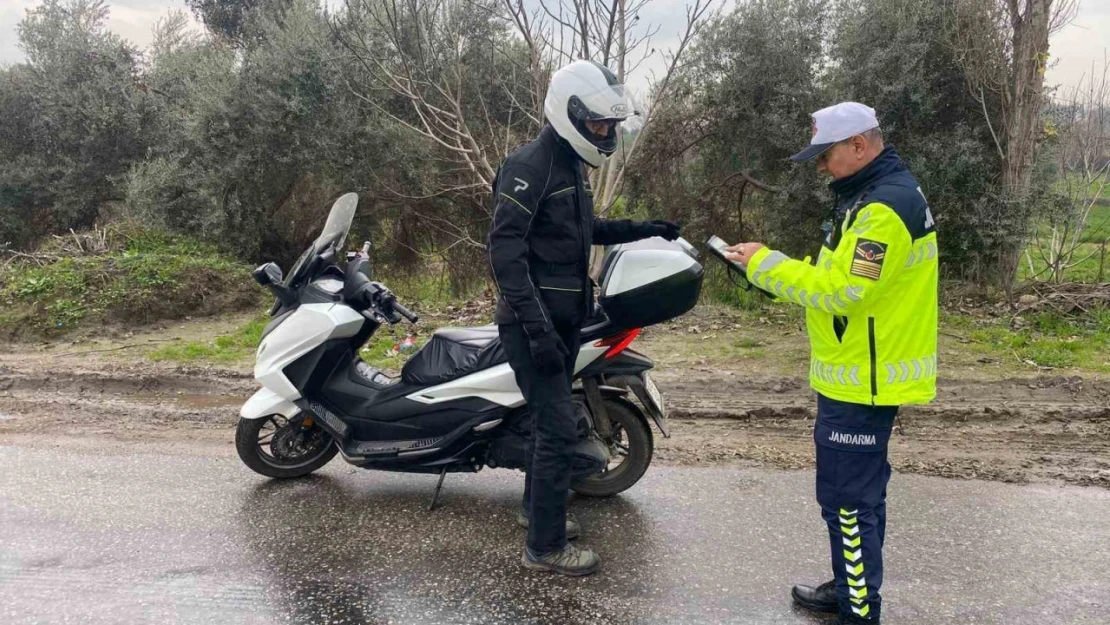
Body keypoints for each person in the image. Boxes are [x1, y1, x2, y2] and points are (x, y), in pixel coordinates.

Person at [726, 102, 938, 624]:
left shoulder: (883, 209)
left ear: (859, 146)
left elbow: (845, 292)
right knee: (860, 498)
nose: (822, 167)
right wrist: (769, 269)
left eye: (827, 156)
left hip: (862, 382)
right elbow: (834, 276)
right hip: (856, 373)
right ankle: (851, 587)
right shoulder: (870, 199)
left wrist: (767, 267)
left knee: (847, 503)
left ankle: (858, 610)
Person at [487, 60, 680, 577]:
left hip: (564, 321)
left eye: (610, 125)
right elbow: (505, 251)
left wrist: (645, 229)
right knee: (555, 430)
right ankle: (544, 547)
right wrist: (536, 329)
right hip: (535, 327)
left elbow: (581, 228)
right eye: (598, 124)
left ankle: (537, 510)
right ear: (567, 113)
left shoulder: (570, 163)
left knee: (547, 424)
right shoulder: (529, 165)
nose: (605, 132)